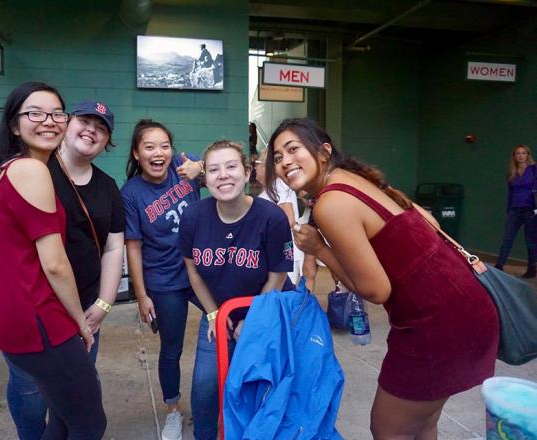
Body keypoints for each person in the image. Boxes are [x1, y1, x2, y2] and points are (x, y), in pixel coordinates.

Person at [265, 118, 499, 440]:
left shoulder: (331, 203)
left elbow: (376, 289)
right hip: (467, 308)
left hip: (436, 324)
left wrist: (319, 248)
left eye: (293, 149)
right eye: (277, 157)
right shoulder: (356, 179)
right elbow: (427, 221)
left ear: (323, 152)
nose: (285, 161)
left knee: (388, 428)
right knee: (422, 424)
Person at [0, 99, 123, 439]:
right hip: (40, 312)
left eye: (101, 128)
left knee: (65, 410)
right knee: (62, 408)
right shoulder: (32, 168)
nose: (91, 130)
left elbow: (114, 246)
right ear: (68, 127)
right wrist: (6, 305)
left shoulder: (106, 186)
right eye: (84, 121)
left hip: (69, 309)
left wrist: (101, 304)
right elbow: (46, 262)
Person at [178, 140, 295, 440]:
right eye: (214, 170)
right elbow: (192, 269)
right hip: (218, 313)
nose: (223, 175)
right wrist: (213, 313)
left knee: (261, 389)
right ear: (205, 178)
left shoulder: (271, 217)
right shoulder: (193, 216)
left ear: (246, 173)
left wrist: (253, 321)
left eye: (231, 167)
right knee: (205, 388)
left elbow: (278, 276)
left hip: (265, 311)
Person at [121, 119, 203, 440]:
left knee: (234, 321)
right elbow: (133, 246)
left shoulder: (186, 167)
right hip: (163, 281)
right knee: (172, 349)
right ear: (137, 153)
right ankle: (173, 411)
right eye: (150, 147)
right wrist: (141, 294)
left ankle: (235, 393)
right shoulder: (131, 193)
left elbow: (232, 181)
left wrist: (204, 172)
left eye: (164, 145)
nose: (159, 153)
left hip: (200, 271)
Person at [254, 148, 303, 283]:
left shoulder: (279, 185)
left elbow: (288, 220)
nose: (255, 168)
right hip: (274, 254)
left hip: (280, 254)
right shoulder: (272, 187)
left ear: (266, 166)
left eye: (257, 164)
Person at [495, 144, 537, 278]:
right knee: (507, 238)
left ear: (528, 155)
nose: (521, 156)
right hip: (514, 210)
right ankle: (499, 266)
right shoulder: (511, 172)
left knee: (530, 240)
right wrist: (509, 210)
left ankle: (532, 268)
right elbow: (510, 192)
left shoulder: (534, 169)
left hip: (530, 209)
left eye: (523, 153)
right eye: (518, 153)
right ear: (514, 156)